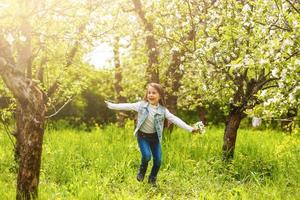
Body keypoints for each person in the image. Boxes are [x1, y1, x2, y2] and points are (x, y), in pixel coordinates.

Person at [105, 82, 199, 185]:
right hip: (143, 136)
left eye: (154, 93)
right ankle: (142, 171)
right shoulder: (141, 105)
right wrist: (111, 105)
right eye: (149, 92)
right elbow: (127, 106)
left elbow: (175, 119)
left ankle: (152, 178)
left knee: (158, 160)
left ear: (160, 96)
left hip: (155, 139)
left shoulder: (163, 111)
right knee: (146, 156)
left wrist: (190, 129)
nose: (150, 95)